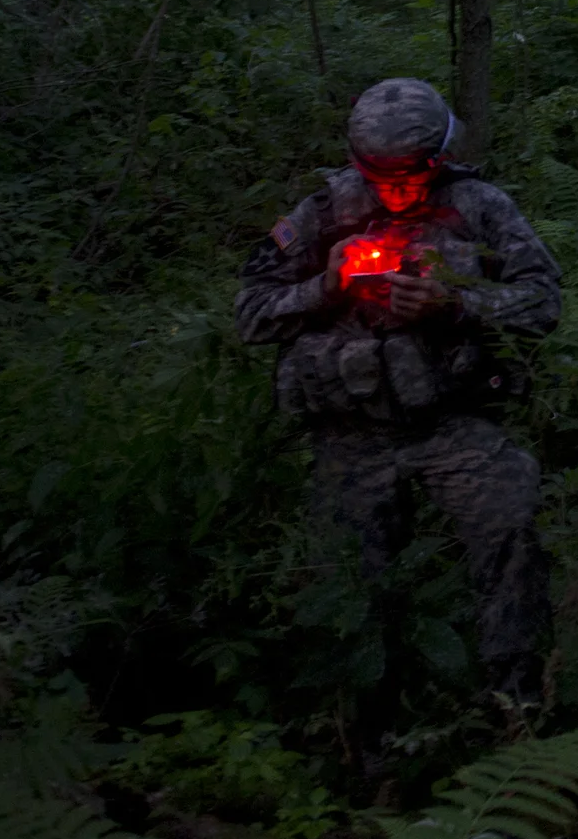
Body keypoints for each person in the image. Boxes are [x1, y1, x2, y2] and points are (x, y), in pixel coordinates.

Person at [236, 77, 561, 707]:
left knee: (513, 529)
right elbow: (250, 314)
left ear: (439, 157)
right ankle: (364, 726)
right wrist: (323, 289)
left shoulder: (481, 207)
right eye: (381, 175)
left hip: (453, 423)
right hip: (350, 434)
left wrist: (457, 304)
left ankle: (518, 707)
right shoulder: (321, 213)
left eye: (411, 174)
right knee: (346, 585)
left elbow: (544, 302)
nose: (396, 189)